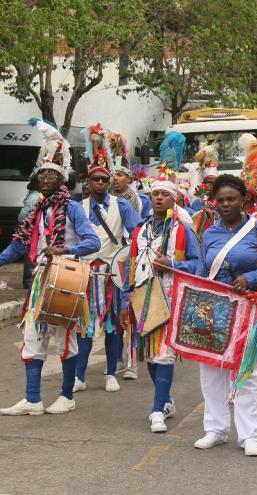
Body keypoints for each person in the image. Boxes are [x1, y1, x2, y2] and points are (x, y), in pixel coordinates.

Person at [0, 119, 100, 416]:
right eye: (42, 173)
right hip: (39, 285)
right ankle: (32, 400)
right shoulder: (35, 212)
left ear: (61, 180)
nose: (45, 177)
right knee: (33, 338)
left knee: (64, 341)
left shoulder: (71, 209)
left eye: (51, 174)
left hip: (65, 281)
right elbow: (18, 246)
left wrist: (66, 249)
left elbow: (92, 241)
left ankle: (67, 397)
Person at [193, 174, 257, 456]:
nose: (224, 204)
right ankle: (216, 430)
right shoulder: (209, 233)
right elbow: (200, 268)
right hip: (212, 307)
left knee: (244, 371)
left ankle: (249, 435)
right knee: (210, 372)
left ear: (244, 200)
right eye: (220, 200)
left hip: (247, 307)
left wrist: (251, 277)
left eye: (231, 199)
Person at [119, 174, 200, 432]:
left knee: (163, 355)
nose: (159, 198)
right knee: (150, 356)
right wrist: (125, 297)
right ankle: (165, 401)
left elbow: (199, 264)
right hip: (142, 299)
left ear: (173, 200)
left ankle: (156, 411)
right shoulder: (140, 230)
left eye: (165, 194)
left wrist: (173, 263)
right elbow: (131, 264)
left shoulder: (182, 229)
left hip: (170, 297)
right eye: (155, 194)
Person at [74, 152, 140, 393]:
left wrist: (130, 261)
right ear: (88, 183)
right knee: (84, 324)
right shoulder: (76, 206)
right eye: (95, 179)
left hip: (114, 272)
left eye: (104, 179)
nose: (100, 183)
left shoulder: (121, 205)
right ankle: (79, 376)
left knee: (114, 324)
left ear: (109, 181)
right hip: (84, 272)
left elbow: (137, 236)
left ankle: (111, 373)